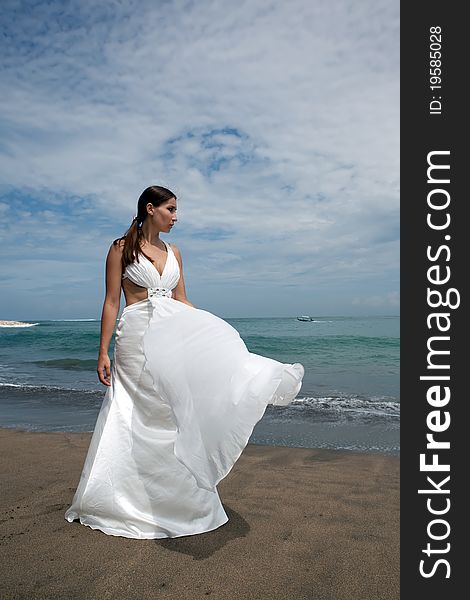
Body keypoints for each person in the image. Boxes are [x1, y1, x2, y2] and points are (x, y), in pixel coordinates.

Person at [65, 185, 304, 539]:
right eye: (171, 209)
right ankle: (121, 501)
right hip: (134, 338)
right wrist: (102, 351)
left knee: (167, 413)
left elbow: (182, 299)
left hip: (171, 336)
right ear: (151, 209)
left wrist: (215, 333)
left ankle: (177, 504)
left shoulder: (174, 251)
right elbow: (112, 302)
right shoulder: (120, 249)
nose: (176, 217)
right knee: (132, 413)